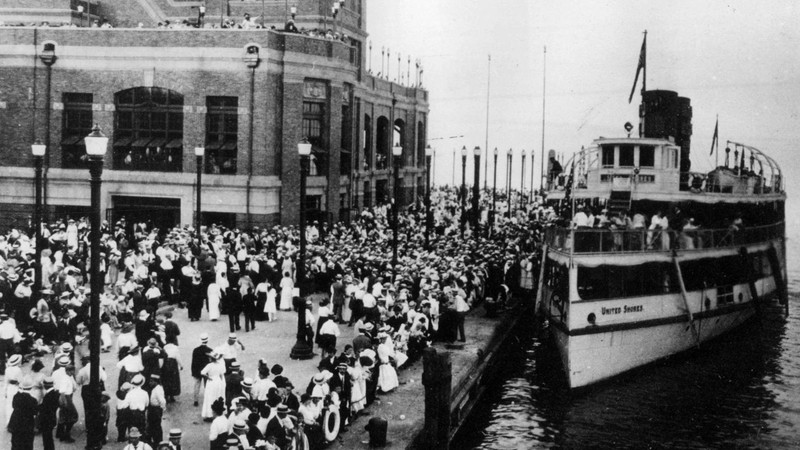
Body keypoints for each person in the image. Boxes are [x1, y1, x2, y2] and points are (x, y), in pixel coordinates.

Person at [9, 380, 38, 450]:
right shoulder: (33, 400)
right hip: (28, 424)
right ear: (31, 388)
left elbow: (13, 406)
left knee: (16, 443)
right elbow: (35, 412)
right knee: (27, 444)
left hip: (17, 423)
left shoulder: (16, 397)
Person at [201, 352, 227, 420]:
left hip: (211, 382)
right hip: (218, 381)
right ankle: (218, 413)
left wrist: (208, 377)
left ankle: (210, 414)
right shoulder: (220, 365)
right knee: (217, 396)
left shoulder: (209, 365)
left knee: (210, 397)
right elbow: (221, 374)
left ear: (211, 358)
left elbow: (202, 372)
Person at [40, 376, 59, 450]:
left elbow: (45, 408)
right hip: (51, 419)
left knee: (47, 438)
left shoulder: (48, 396)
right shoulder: (54, 393)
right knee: (48, 438)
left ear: (45, 385)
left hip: (46, 420)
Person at [192, 333, 211, 407]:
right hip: (206, 371)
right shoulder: (209, 350)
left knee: (197, 385)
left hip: (197, 370)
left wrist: (193, 372)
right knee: (207, 385)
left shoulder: (196, 350)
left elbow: (193, 362)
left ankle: (195, 400)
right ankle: (207, 399)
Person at [147, 374, 166, 445]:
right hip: (154, 409)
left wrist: (162, 409)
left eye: (151, 381)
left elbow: (162, 400)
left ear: (156, 382)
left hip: (155, 410)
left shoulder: (157, 389)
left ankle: (157, 442)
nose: (150, 383)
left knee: (156, 426)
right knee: (153, 426)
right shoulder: (156, 388)